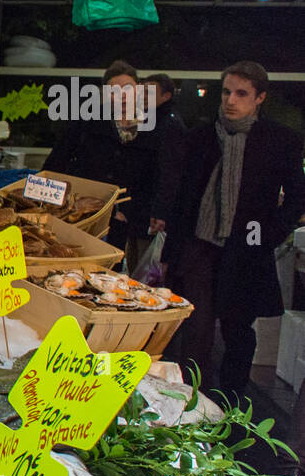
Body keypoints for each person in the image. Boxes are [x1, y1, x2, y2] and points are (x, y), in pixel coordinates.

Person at [165, 61, 305, 397]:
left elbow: (297, 195)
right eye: (227, 91)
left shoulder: (279, 141)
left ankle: (231, 398)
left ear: (259, 98)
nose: (231, 100)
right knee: (196, 326)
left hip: (246, 246)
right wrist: (173, 249)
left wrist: (269, 234)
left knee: (238, 326)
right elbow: (183, 196)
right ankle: (194, 400)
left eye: (241, 93)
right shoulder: (201, 136)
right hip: (200, 242)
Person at [44, 60, 184, 266]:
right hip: (85, 211)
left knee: (112, 267)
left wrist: (159, 210)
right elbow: (58, 159)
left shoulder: (158, 126)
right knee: (76, 262)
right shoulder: (88, 120)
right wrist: (43, 194)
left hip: (130, 215)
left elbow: (164, 173)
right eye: (114, 90)